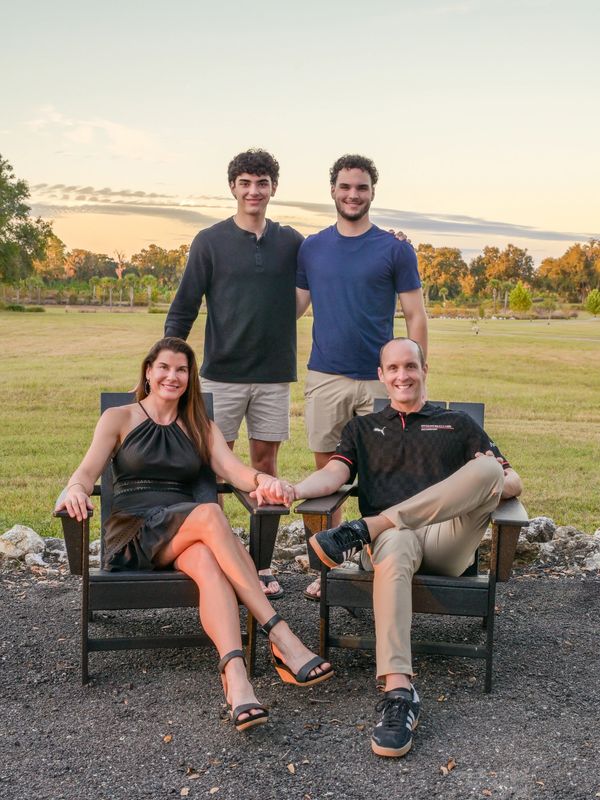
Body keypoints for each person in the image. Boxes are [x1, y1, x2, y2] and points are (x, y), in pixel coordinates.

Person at [55, 337, 332, 732]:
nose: (172, 376)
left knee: (206, 560)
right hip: (133, 534)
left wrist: (263, 481)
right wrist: (76, 490)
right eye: (164, 367)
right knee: (210, 514)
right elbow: (85, 473)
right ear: (148, 371)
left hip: (181, 534)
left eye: (181, 370)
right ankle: (280, 634)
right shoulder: (119, 418)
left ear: (190, 377)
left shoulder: (201, 426)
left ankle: (236, 679)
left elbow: (235, 471)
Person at [261, 337, 522, 756]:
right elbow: (334, 475)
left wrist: (487, 482)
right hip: (388, 546)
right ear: (381, 376)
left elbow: (511, 481)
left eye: (410, 366)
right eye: (394, 369)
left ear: (424, 370)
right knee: (397, 539)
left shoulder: (458, 424)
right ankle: (399, 692)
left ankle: (368, 526)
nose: (403, 376)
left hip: (444, 543)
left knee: (489, 468)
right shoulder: (362, 429)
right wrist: (294, 488)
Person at [164, 149, 303, 599]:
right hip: (221, 375)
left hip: (273, 376)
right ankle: (222, 561)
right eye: (245, 183)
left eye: (261, 183)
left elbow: (331, 267)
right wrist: (167, 360)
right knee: (214, 470)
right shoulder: (209, 241)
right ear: (232, 188)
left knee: (265, 468)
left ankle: (260, 565)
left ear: (273, 188)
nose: (253, 191)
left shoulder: (292, 242)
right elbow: (184, 306)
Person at [295, 154, 429, 601]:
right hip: (325, 377)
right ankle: (327, 568)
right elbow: (293, 306)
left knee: (386, 476)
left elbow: (415, 314)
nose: (353, 195)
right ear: (332, 190)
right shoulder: (311, 248)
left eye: (362, 187)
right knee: (327, 479)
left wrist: (416, 371)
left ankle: (381, 562)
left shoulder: (394, 249)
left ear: (373, 192)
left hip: (380, 381)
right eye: (346, 187)